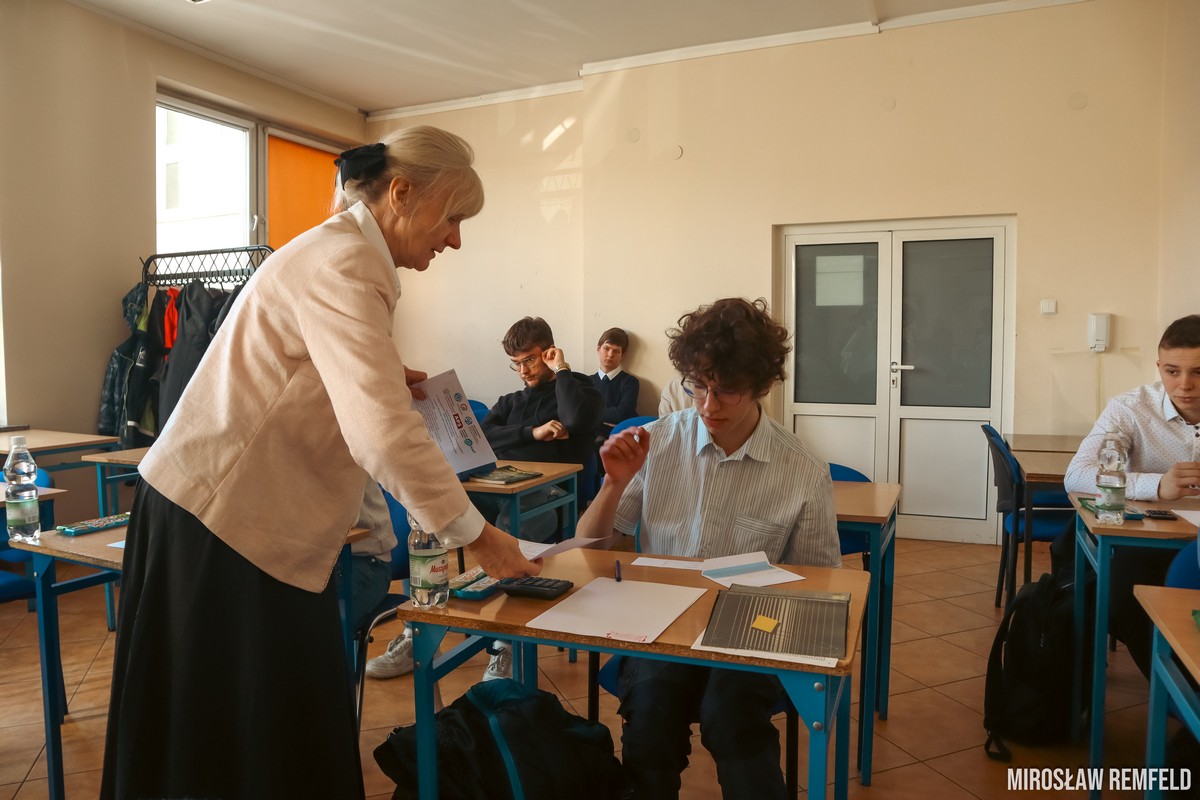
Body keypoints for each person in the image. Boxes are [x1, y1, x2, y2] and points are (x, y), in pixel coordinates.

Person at [100, 126, 541, 800]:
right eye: (453, 217)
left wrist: (383, 376)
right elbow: (382, 435)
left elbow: (302, 374)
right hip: (224, 522)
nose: (455, 239)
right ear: (401, 194)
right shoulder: (346, 264)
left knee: (248, 727)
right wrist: (479, 537)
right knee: (244, 731)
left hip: (226, 517)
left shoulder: (337, 253)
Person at [577, 297, 841, 800]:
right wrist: (613, 485)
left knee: (732, 716)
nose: (708, 406)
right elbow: (589, 550)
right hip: (662, 625)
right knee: (650, 713)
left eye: (727, 391)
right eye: (698, 386)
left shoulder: (802, 469)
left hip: (754, 630)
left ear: (762, 386)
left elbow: (821, 583)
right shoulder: (658, 441)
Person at [369, 316, 602, 682]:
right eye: (516, 363)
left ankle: (504, 644)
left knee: (506, 532)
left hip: (554, 496)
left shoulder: (580, 388)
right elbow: (481, 435)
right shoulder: (511, 401)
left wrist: (562, 370)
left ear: (550, 352)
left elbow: (575, 420)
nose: (523, 370)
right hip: (500, 490)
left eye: (530, 360)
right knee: (431, 518)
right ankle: (419, 632)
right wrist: (533, 433)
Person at [1064, 313, 1200, 678]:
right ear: (1159, 367)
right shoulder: (1130, 408)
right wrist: (1157, 486)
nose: (1185, 385)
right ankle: (1175, 691)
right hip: (1149, 542)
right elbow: (1076, 475)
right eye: (1172, 371)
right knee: (1124, 588)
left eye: (1199, 372)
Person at [590, 327, 641, 431]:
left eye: (616, 351)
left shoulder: (630, 382)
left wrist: (591, 415)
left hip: (618, 435)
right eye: (606, 348)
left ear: (622, 355)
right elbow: (578, 414)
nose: (610, 355)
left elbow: (623, 414)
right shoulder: (586, 381)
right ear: (598, 349)